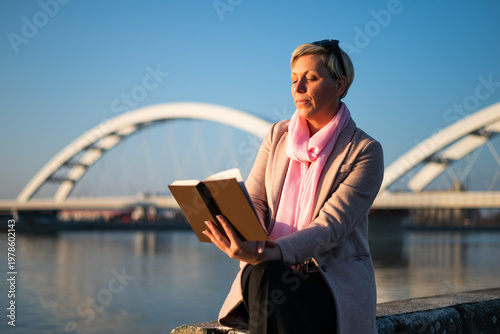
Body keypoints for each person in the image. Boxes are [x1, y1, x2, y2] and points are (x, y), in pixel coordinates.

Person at [203, 39, 384, 334]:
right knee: (263, 273)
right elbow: (256, 201)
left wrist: (269, 252)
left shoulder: (364, 151)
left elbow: (331, 227)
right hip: (271, 274)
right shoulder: (278, 136)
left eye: (310, 79)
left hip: (329, 283)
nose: (298, 89)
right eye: (294, 79)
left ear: (339, 86)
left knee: (265, 273)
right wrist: (242, 231)